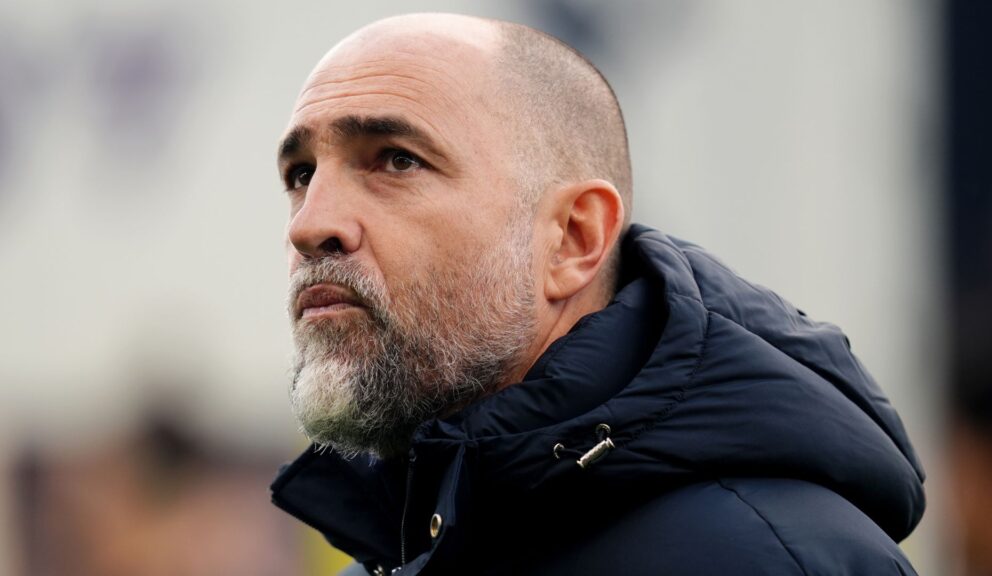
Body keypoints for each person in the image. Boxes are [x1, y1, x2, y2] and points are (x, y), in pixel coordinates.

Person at [270, 13, 925, 576]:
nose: (309, 224)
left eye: (395, 159)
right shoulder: (384, 557)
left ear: (573, 238)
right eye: (301, 174)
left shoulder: (776, 559)